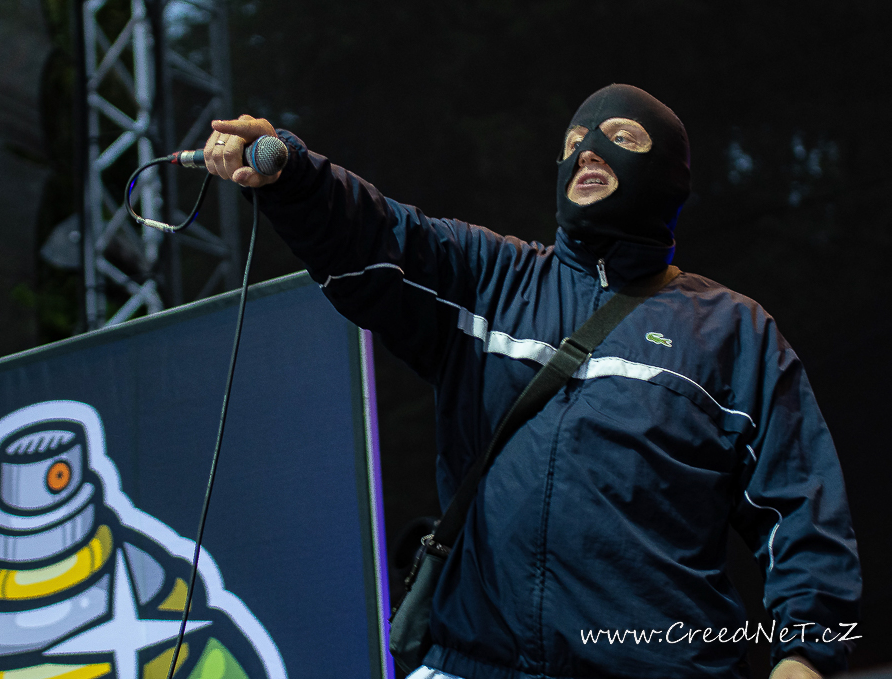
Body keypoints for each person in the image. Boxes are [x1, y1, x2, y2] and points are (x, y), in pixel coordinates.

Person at [202, 84, 861, 679]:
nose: (589, 149)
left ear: (669, 174)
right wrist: (295, 175)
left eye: (622, 137)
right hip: (474, 659)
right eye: (574, 143)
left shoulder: (731, 330)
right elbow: (380, 235)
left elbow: (800, 508)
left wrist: (806, 655)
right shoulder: (491, 277)